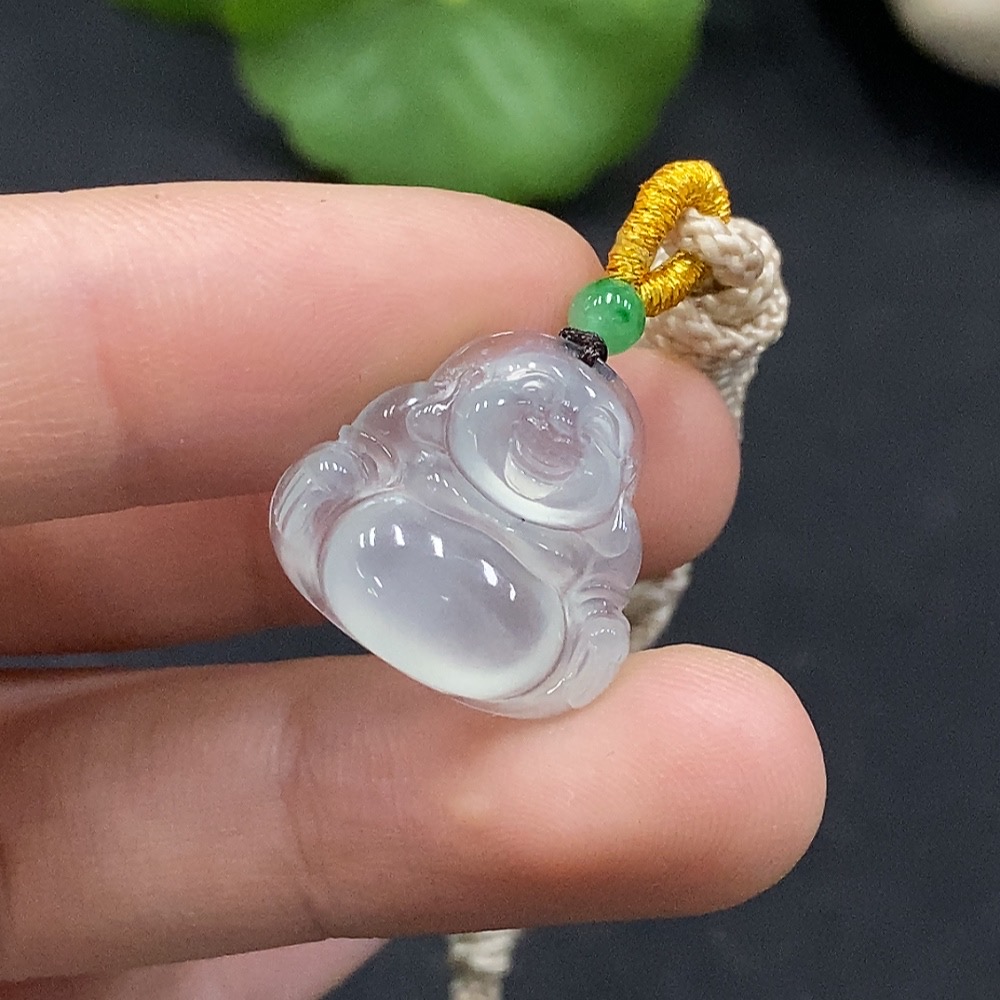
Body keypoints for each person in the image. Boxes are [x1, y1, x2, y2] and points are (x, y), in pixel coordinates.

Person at [0, 183, 826, 1000]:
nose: (548, 438)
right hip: (393, 538)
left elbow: (599, 590)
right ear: (462, 400)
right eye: (532, 414)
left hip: (517, 611)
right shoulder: (426, 429)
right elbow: (352, 466)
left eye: (578, 438)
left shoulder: (599, 526)